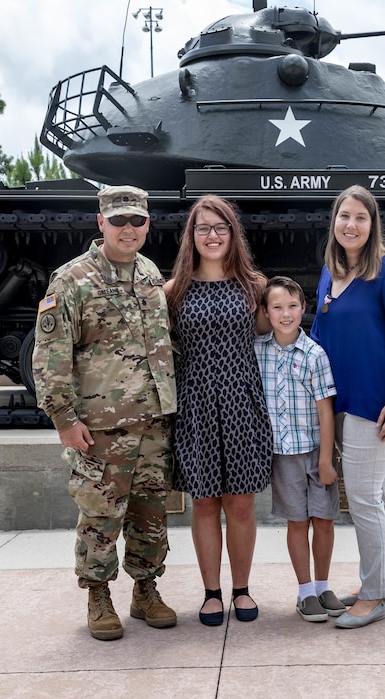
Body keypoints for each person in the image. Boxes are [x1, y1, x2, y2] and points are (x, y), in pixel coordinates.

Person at [32, 184, 177, 641]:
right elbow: (51, 355)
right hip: (100, 427)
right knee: (100, 514)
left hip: (153, 420)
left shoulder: (151, 273)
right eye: (119, 221)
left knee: (151, 512)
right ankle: (97, 594)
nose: (128, 229)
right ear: (101, 223)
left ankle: (145, 589)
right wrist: (64, 418)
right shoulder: (72, 280)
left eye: (137, 220)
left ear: (147, 224)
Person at [310, 185, 385, 629]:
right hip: (342, 397)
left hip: (375, 403)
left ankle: (371, 596)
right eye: (344, 216)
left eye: (360, 217)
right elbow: (319, 330)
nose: (350, 225)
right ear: (333, 222)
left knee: (362, 499)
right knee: (379, 495)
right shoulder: (330, 270)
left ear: (372, 225)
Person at [164, 195, 272, 626]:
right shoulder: (174, 291)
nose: (212, 235)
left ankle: (241, 589)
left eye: (221, 227)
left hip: (242, 403)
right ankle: (211, 593)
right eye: (203, 228)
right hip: (195, 404)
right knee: (205, 503)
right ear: (191, 236)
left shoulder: (255, 287)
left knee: (241, 504)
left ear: (233, 234)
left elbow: (278, 337)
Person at [253, 276, 345, 622]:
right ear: (265, 311)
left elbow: (325, 409)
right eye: (277, 307)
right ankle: (305, 590)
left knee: (323, 520)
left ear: (304, 309)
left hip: (314, 451)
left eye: (292, 306)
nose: (286, 314)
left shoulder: (314, 354)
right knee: (297, 522)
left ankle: (323, 585)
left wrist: (326, 459)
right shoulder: (257, 350)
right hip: (283, 455)